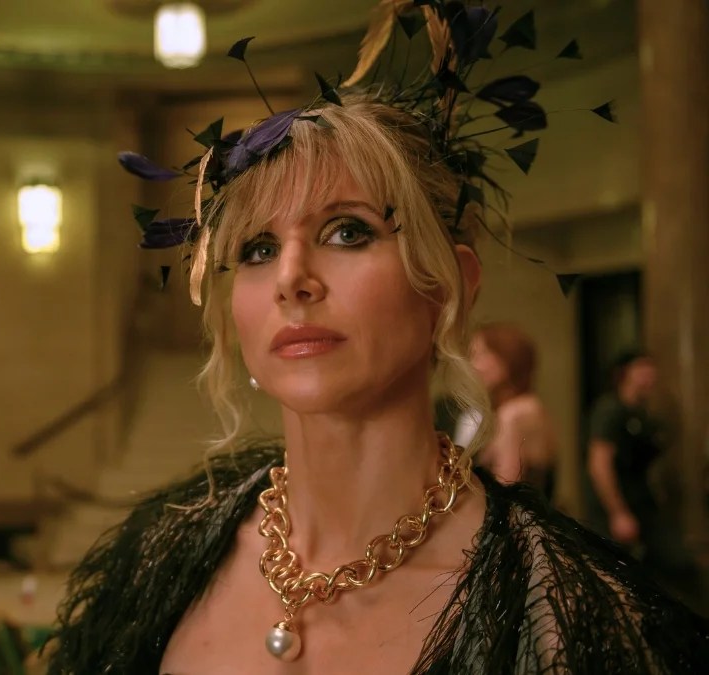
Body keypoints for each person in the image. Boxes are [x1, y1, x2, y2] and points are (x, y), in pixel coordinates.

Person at [47, 4, 708, 673]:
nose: (291, 279)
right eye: (258, 248)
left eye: (347, 232)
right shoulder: (158, 560)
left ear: (449, 285)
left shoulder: (569, 619)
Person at [586, 351, 664, 552]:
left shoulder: (640, 413)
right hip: (616, 506)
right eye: (641, 369)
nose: (649, 376)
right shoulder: (610, 410)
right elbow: (599, 463)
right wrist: (618, 513)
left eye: (651, 370)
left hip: (641, 503)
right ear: (624, 374)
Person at [469, 322, 558, 497]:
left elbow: (506, 487)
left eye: (481, 355)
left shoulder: (512, 415)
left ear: (506, 359)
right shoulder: (532, 406)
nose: (474, 365)